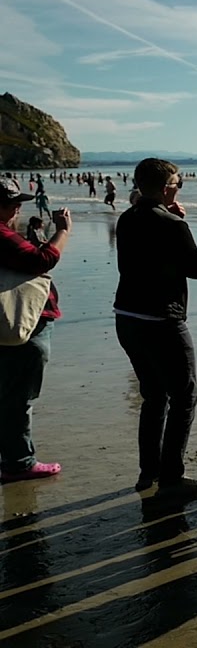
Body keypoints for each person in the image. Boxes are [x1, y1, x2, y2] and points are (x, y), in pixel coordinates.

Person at [113, 159, 197, 498]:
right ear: (168, 187)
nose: (177, 189)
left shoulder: (127, 218)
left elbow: (129, 262)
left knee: (153, 395)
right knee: (185, 396)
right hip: (161, 317)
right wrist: (180, 222)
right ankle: (171, 476)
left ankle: (148, 472)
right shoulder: (171, 223)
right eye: (177, 184)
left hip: (126, 314)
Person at [0, 182, 68, 483]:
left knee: (10, 392)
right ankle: (19, 462)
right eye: (10, 203)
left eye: (18, 202)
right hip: (22, 324)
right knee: (18, 395)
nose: (17, 207)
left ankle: (14, 457)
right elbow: (42, 261)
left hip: (13, 324)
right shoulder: (1, 235)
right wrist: (63, 230)